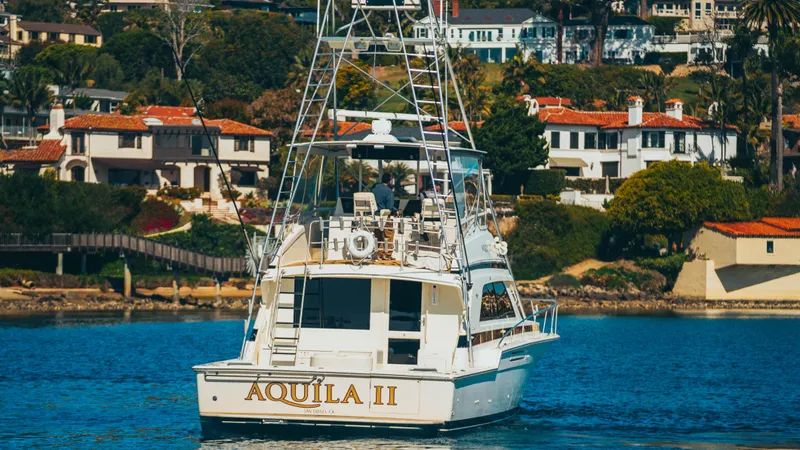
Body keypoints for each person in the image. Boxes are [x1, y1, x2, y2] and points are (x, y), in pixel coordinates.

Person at [371, 173, 396, 260]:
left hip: (374, 217)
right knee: (388, 235)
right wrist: (395, 210)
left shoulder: (374, 189)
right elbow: (389, 207)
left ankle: (379, 254)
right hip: (384, 217)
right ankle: (387, 255)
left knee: (378, 236)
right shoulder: (388, 191)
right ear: (390, 180)